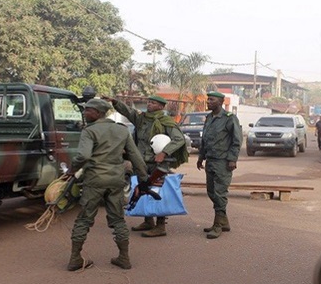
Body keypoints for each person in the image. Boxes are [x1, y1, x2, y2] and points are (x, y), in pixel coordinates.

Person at [67, 99, 148, 271]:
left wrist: (71, 170)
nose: (84, 113)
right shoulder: (121, 130)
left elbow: (83, 156)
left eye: (88, 110)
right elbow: (135, 157)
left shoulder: (89, 131)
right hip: (116, 180)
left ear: (98, 113)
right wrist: (144, 177)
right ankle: (124, 258)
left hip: (94, 180)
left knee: (84, 219)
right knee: (118, 219)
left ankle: (75, 258)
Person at [102, 94, 187, 237]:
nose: (149, 104)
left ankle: (160, 226)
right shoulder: (141, 119)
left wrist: (164, 153)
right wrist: (115, 102)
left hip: (158, 163)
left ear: (161, 106)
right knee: (142, 190)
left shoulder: (166, 121)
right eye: (148, 102)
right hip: (141, 162)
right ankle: (148, 221)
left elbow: (179, 139)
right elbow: (129, 112)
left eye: (153, 103)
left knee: (158, 192)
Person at [197, 91, 242, 239]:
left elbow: (237, 140)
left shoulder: (229, 118)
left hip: (223, 162)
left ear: (221, 102)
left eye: (212, 99)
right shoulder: (209, 118)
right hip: (210, 160)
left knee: (219, 193)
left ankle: (217, 225)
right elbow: (205, 139)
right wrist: (201, 157)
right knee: (211, 192)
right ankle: (224, 222)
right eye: (208, 99)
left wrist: (232, 159)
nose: (208, 101)